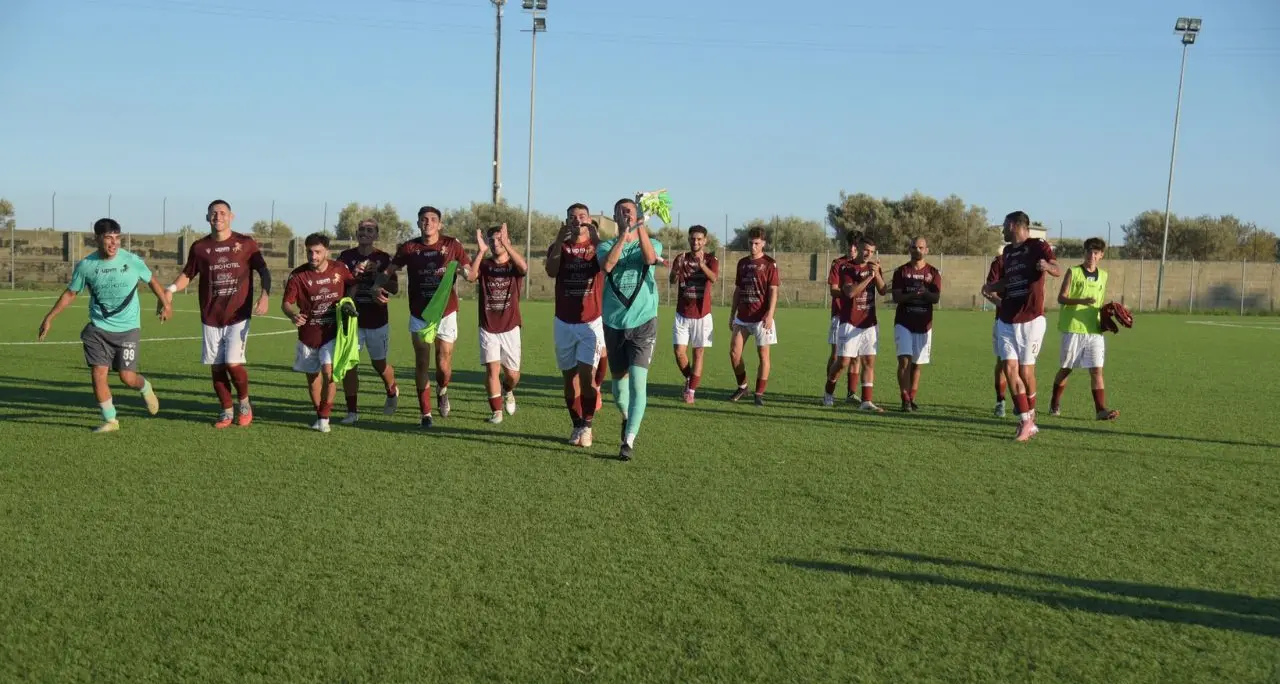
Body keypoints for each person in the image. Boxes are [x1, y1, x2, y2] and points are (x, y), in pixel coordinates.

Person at [37, 218, 172, 432]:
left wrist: (165, 303)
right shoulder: (87, 266)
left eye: (117, 238)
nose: (114, 243)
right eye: (108, 238)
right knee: (98, 373)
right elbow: (71, 293)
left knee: (127, 378)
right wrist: (49, 317)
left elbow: (152, 280)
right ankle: (111, 420)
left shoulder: (132, 260)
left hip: (128, 330)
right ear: (97, 238)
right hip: (98, 329)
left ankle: (145, 387)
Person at [165, 199, 272, 428]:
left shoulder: (246, 243)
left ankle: (244, 404)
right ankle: (226, 410)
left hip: (238, 315)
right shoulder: (200, 247)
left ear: (231, 217)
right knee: (217, 366)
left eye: (223, 213)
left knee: (233, 363)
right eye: (214, 213)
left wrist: (265, 295)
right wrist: (170, 290)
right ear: (207, 218)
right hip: (210, 315)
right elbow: (187, 274)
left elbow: (263, 270)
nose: (218, 217)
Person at [374, 205, 479, 429]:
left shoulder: (452, 245)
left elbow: (471, 275)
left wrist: (465, 271)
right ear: (418, 223)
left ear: (439, 224)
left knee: (443, 364)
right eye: (423, 219)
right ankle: (426, 413)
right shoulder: (409, 248)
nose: (428, 222)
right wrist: (376, 285)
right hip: (420, 314)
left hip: (446, 313)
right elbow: (388, 272)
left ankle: (442, 391)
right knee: (421, 362)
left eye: (432, 219)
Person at [981, 210, 1061, 442]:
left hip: (1032, 318)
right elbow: (1008, 280)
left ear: (1016, 225)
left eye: (1005, 225)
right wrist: (991, 286)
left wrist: (1047, 266)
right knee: (1009, 368)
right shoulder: (1007, 252)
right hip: (1007, 317)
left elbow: (1056, 268)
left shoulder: (1037, 245)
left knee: (1026, 371)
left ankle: (1031, 415)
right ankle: (1026, 421)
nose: (1003, 230)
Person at [599, 197, 663, 460]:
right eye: (621, 212)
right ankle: (626, 418)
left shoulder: (652, 242)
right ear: (614, 217)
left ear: (637, 215)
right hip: (614, 323)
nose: (625, 214)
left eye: (630, 211)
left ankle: (629, 441)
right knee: (618, 390)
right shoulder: (604, 246)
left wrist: (639, 229)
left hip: (644, 323)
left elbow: (649, 258)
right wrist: (624, 233)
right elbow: (607, 266)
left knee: (639, 384)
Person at [281, 233, 357, 433]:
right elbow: (286, 303)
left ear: (327, 252)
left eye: (317, 252)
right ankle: (319, 413)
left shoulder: (339, 269)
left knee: (328, 372)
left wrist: (348, 302)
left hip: (332, 332)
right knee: (313, 377)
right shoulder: (298, 275)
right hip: (308, 334)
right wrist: (293, 315)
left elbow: (353, 284)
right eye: (309, 252)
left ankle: (324, 417)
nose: (313, 256)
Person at [546, 203, 606, 447]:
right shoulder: (559, 246)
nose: (577, 220)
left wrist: (597, 237)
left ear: (589, 219)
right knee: (569, 380)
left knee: (586, 378)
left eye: (582, 216)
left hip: (590, 322)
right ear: (567, 221)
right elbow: (551, 270)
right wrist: (559, 241)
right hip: (563, 321)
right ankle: (577, 424)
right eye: (573, 217)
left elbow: (607, 264)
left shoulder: (598, 248)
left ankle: (588, 425)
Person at [336, 218, 399, 424]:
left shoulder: (383, 257)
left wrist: (378, 275)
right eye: (362, 229)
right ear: (357, 233)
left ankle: (391, 390)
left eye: (369, 230)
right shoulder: (346, 257)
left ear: (376, 235)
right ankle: (352, 411)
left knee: (379, 363)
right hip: (352, 320)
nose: (365, 233)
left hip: (377, 319)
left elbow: (394, 289)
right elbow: (338, 286)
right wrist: (353, 275)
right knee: (349, 365)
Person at [1050, 237, 1120, 420]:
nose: (1092, 255)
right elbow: (1061, 298)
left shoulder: (1103, 275)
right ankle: (1054, 403)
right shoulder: (1073, 272)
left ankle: (1100, 410)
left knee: (1097, 369)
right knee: (1066, 369)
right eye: (1089, 251)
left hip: (1094, 330)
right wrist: (1081, 301)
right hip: (1073, 328)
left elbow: (1099, 303)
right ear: (1084, 252)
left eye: (1096, 252)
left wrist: (1106, 314)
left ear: (1101, 255)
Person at [822, 232, 886, 412]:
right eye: (866, 250)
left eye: (872, 251)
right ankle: (828, 392)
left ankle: (866, 401)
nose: (868, 254)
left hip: (870, 322)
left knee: (868, 361)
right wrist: (869, 278)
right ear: (858, 249)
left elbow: (883, 290)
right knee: (842, 362)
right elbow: (850, 293)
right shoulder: (846, 268)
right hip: (849, 321)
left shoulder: (874, 268)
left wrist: (877, 275)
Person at [475, 224, 527, 424]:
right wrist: (480, 252)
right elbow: (471, 276)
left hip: (510, 327)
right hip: (488, 326)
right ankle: (496, 412)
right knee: (492, 369)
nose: (495, 244)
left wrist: (507, 245)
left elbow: (524, 267)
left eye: (499, 239)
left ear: (507, 241)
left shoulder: (513, 266)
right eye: (492, 240)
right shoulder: (485, 265)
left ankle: (509, 390)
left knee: (512, 375)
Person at [668, 224, 719, 404]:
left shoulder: (711, 259)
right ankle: (690, 378)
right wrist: (676, 269)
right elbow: (672, 281)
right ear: (689, 239)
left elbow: (713, 278)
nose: (695, 241)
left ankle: (691, 390)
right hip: (682, 313)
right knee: (679, 352)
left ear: (705, 241)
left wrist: (702, 265)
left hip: (702, 315)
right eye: (692, 238)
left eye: (699, 239)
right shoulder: (681, 257)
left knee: (698, 353)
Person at [729, 226, 779, 406]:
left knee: (763, 356)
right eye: (751, 243)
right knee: (734, 353)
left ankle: (759, 394)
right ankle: (743, 386)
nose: (753, 246)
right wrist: (732, 313)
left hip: (761, 318)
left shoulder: (769, 264)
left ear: (763, 243)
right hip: (742, 316)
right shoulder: (742, 263)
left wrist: (770, 314)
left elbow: (774, 291)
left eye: (757, 243)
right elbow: (738, 289)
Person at [891, 236, 942, 412]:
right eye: (914, 247)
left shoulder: (934, 273)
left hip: (924, 324)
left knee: (917, 364)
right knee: (904, 361)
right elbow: (896, 297)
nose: (917, 250)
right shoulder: (901, 271)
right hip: (904, 321)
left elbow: (935, 298)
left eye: (921, 247)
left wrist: (924, 292)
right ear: (909, 249)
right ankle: (904, 399)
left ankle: (912, 397)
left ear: (926, 250)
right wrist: (913, 295)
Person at [826, 234, 860, 402]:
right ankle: (829, 393)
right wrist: (849, 293)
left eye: (855, 248)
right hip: (839, 315)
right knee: (836, 356)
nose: (852, 251)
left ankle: (851, 394)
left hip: (858, 317)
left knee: (855, 356)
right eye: (850, 247)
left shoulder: (864, 266)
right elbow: (833, 290)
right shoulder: (838, 264)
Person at [982, 252, 1008, 417]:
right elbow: (988, 290)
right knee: (1003, 362)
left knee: (1025, 365)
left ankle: (1024, 404)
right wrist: (1004, 305)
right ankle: (1001, 401)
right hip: (1004, 320)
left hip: (1028, 322)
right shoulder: (1000, 261)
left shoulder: (1031, 259)